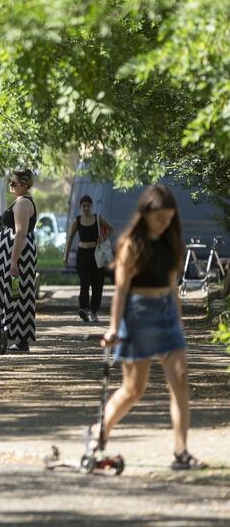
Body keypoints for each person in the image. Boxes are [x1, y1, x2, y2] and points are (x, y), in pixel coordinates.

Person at [96, 184, 204, 470]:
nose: (164, 223)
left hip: (166, 314)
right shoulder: (131, 243)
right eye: (159, 218)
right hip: (137, 315)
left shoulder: (171, 243)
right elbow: (120, 291)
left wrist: (178, 326)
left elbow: (172, 288)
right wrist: (114, 328)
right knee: (134, 390)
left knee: (180, 379)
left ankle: (181, 452)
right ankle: (100, 434)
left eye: (168, 218)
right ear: (146, 213)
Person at [0, 169, 38, 353]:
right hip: (13, 252)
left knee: (6, 292)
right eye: (11, 182)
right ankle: (17, 339)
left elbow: (20, 233)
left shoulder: (23, 203)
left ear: (24, 185)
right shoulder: (21, 201)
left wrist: (13, 261)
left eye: (14, 183)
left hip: (16, 254)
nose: (11, 185)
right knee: (17, 293)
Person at [64, 195, 114, 322]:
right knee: (84, 283)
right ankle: (84, 309)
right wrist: (66, 255)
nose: (86, 208)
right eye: (83, 206)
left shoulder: (97, 218)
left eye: (88, 205)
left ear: (91, 206)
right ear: (80, 207)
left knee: (98, 285)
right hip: (82, 255)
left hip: (96, 255)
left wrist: (103, 238)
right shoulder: (77, 220)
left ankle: (94, 311)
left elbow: (111, 229)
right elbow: (70, 238)